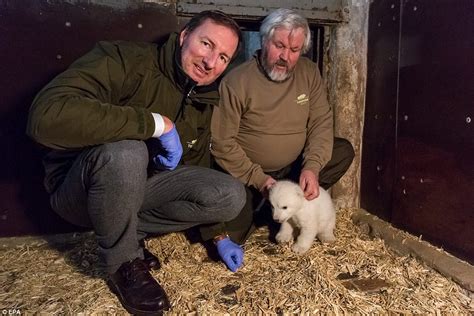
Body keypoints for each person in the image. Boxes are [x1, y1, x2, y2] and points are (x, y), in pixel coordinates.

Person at [26, 10, 246, 315]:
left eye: (223, 57)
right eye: (206, 44)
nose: (211, 62)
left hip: (139, 190)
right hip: (79, 191)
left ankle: (127, 231)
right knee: (128, 150)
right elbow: (45, 117)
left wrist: (218, 235)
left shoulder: (202, 97)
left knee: (230, 194)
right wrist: (155, 124)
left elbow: (196, 165)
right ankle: (124, 263)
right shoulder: (125, 59)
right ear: (184, 36)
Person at [201, 8, 355, 270]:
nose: (286, 56)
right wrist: (258, 179)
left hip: (293, 169)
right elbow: (222, 143)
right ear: (264, 41)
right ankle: (266, 209)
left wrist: (312, 167)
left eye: (294, 49)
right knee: (231, 236)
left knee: (342, 150)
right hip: (249, 176)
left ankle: (289, 203)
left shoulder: (309, 73)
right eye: (279, 45)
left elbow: (320, 123)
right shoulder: (237, 81)